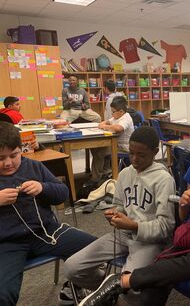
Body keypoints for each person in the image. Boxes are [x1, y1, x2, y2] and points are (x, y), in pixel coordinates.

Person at [78, 107, 190, 306]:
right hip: (188, 241)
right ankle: (126, 283)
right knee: (144, 299)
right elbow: (183, 219)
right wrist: (184, 203)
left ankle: (123, 281)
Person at [63, 126, 176, 303]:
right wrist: (115, 214)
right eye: (131, 153)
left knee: (129, 288)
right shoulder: (125, 173)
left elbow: (166, 226)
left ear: (155, 152)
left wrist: (133, 225)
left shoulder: (164, 180)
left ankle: (114, 290)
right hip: (122, 234)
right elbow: (119, 205)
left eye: (141, 155)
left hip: (149, 241)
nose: (134, 159)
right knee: (72, 267)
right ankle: (109, 289)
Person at [0, 121, 96, 306]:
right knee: (3, 294)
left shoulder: (34, 167)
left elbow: (62, 194)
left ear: (22, 149)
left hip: (47, 232)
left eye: (14, 155)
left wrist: (42, 188)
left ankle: (72, 288)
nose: (8, 163)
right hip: (8, 243)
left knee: (96, 250)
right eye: (1, 158)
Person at [86, 96, 134, 188]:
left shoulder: (126, 118)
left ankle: (95, 179)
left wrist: (105, 127)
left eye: (113, 112)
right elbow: (104, 122)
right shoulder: (116, 117)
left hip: (124, 148)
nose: (112, 114)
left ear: (121, 111)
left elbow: (118, 128)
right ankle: (105, 172)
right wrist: (104, 125)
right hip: (115, 145)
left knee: (100, 152)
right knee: (97, 149)